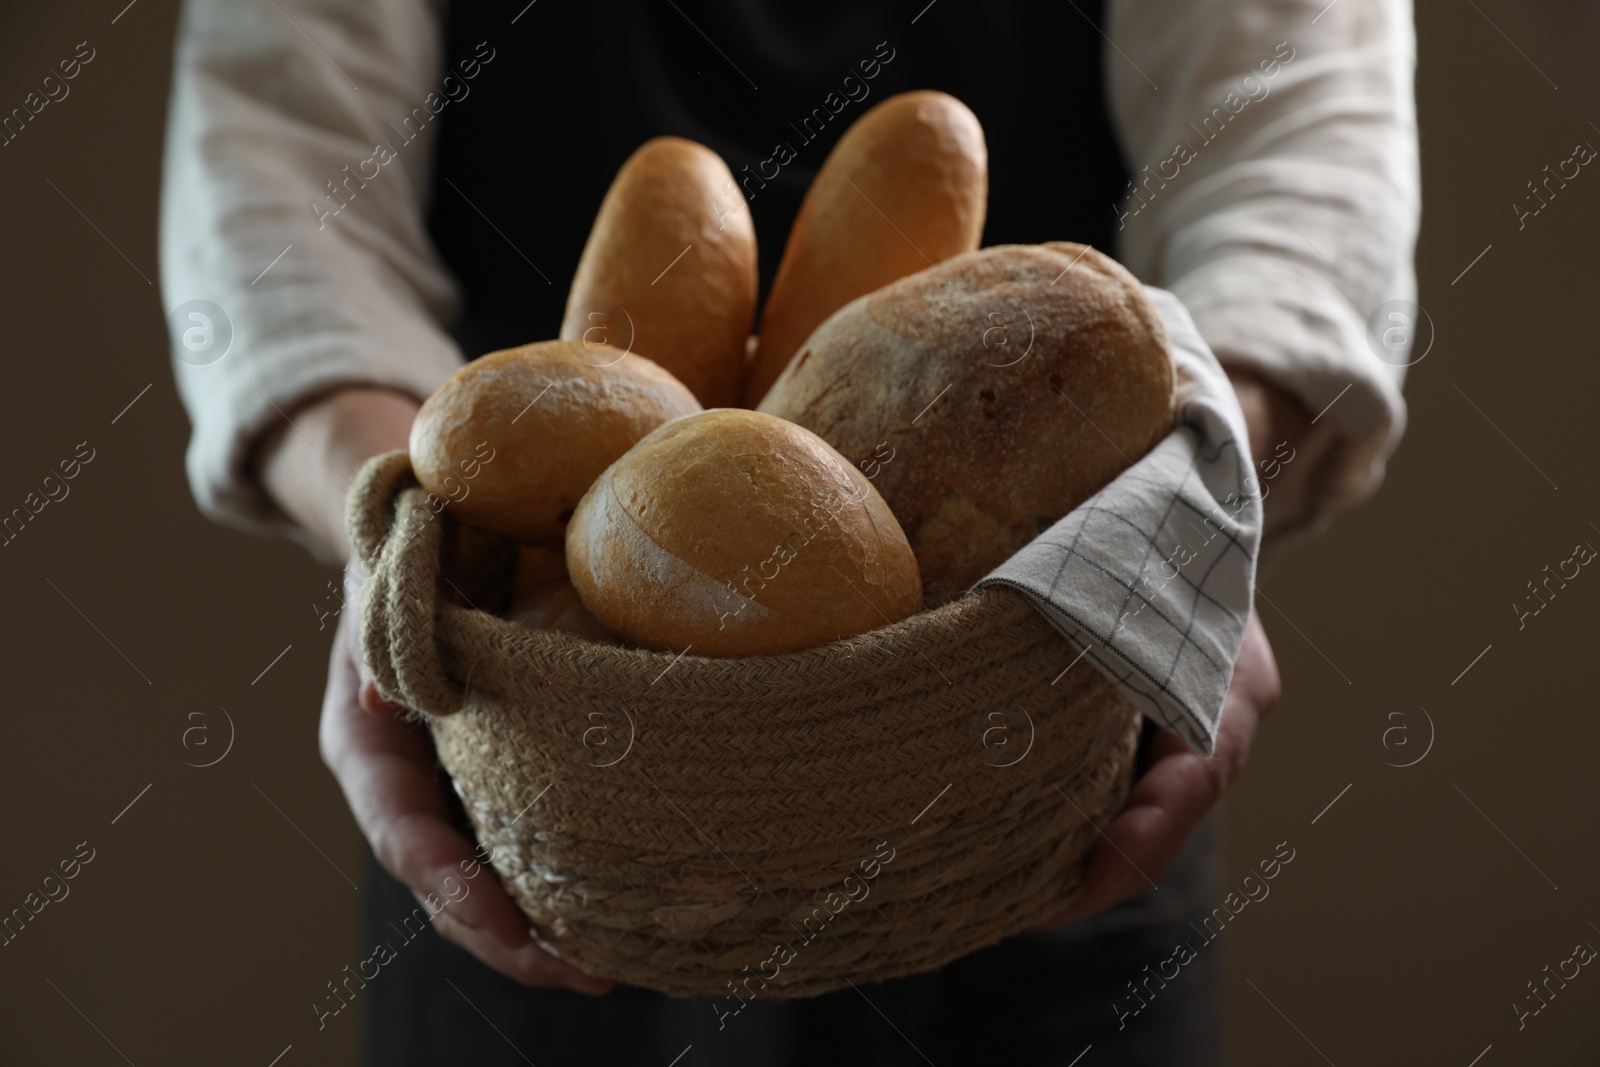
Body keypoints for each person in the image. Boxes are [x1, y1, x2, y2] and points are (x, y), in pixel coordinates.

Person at [160, 0, 1418, 1061]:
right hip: (525, 781)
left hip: (1052, 737)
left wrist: (1192, 519)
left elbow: (1297, 161)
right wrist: (394, 542)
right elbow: (273, 177)